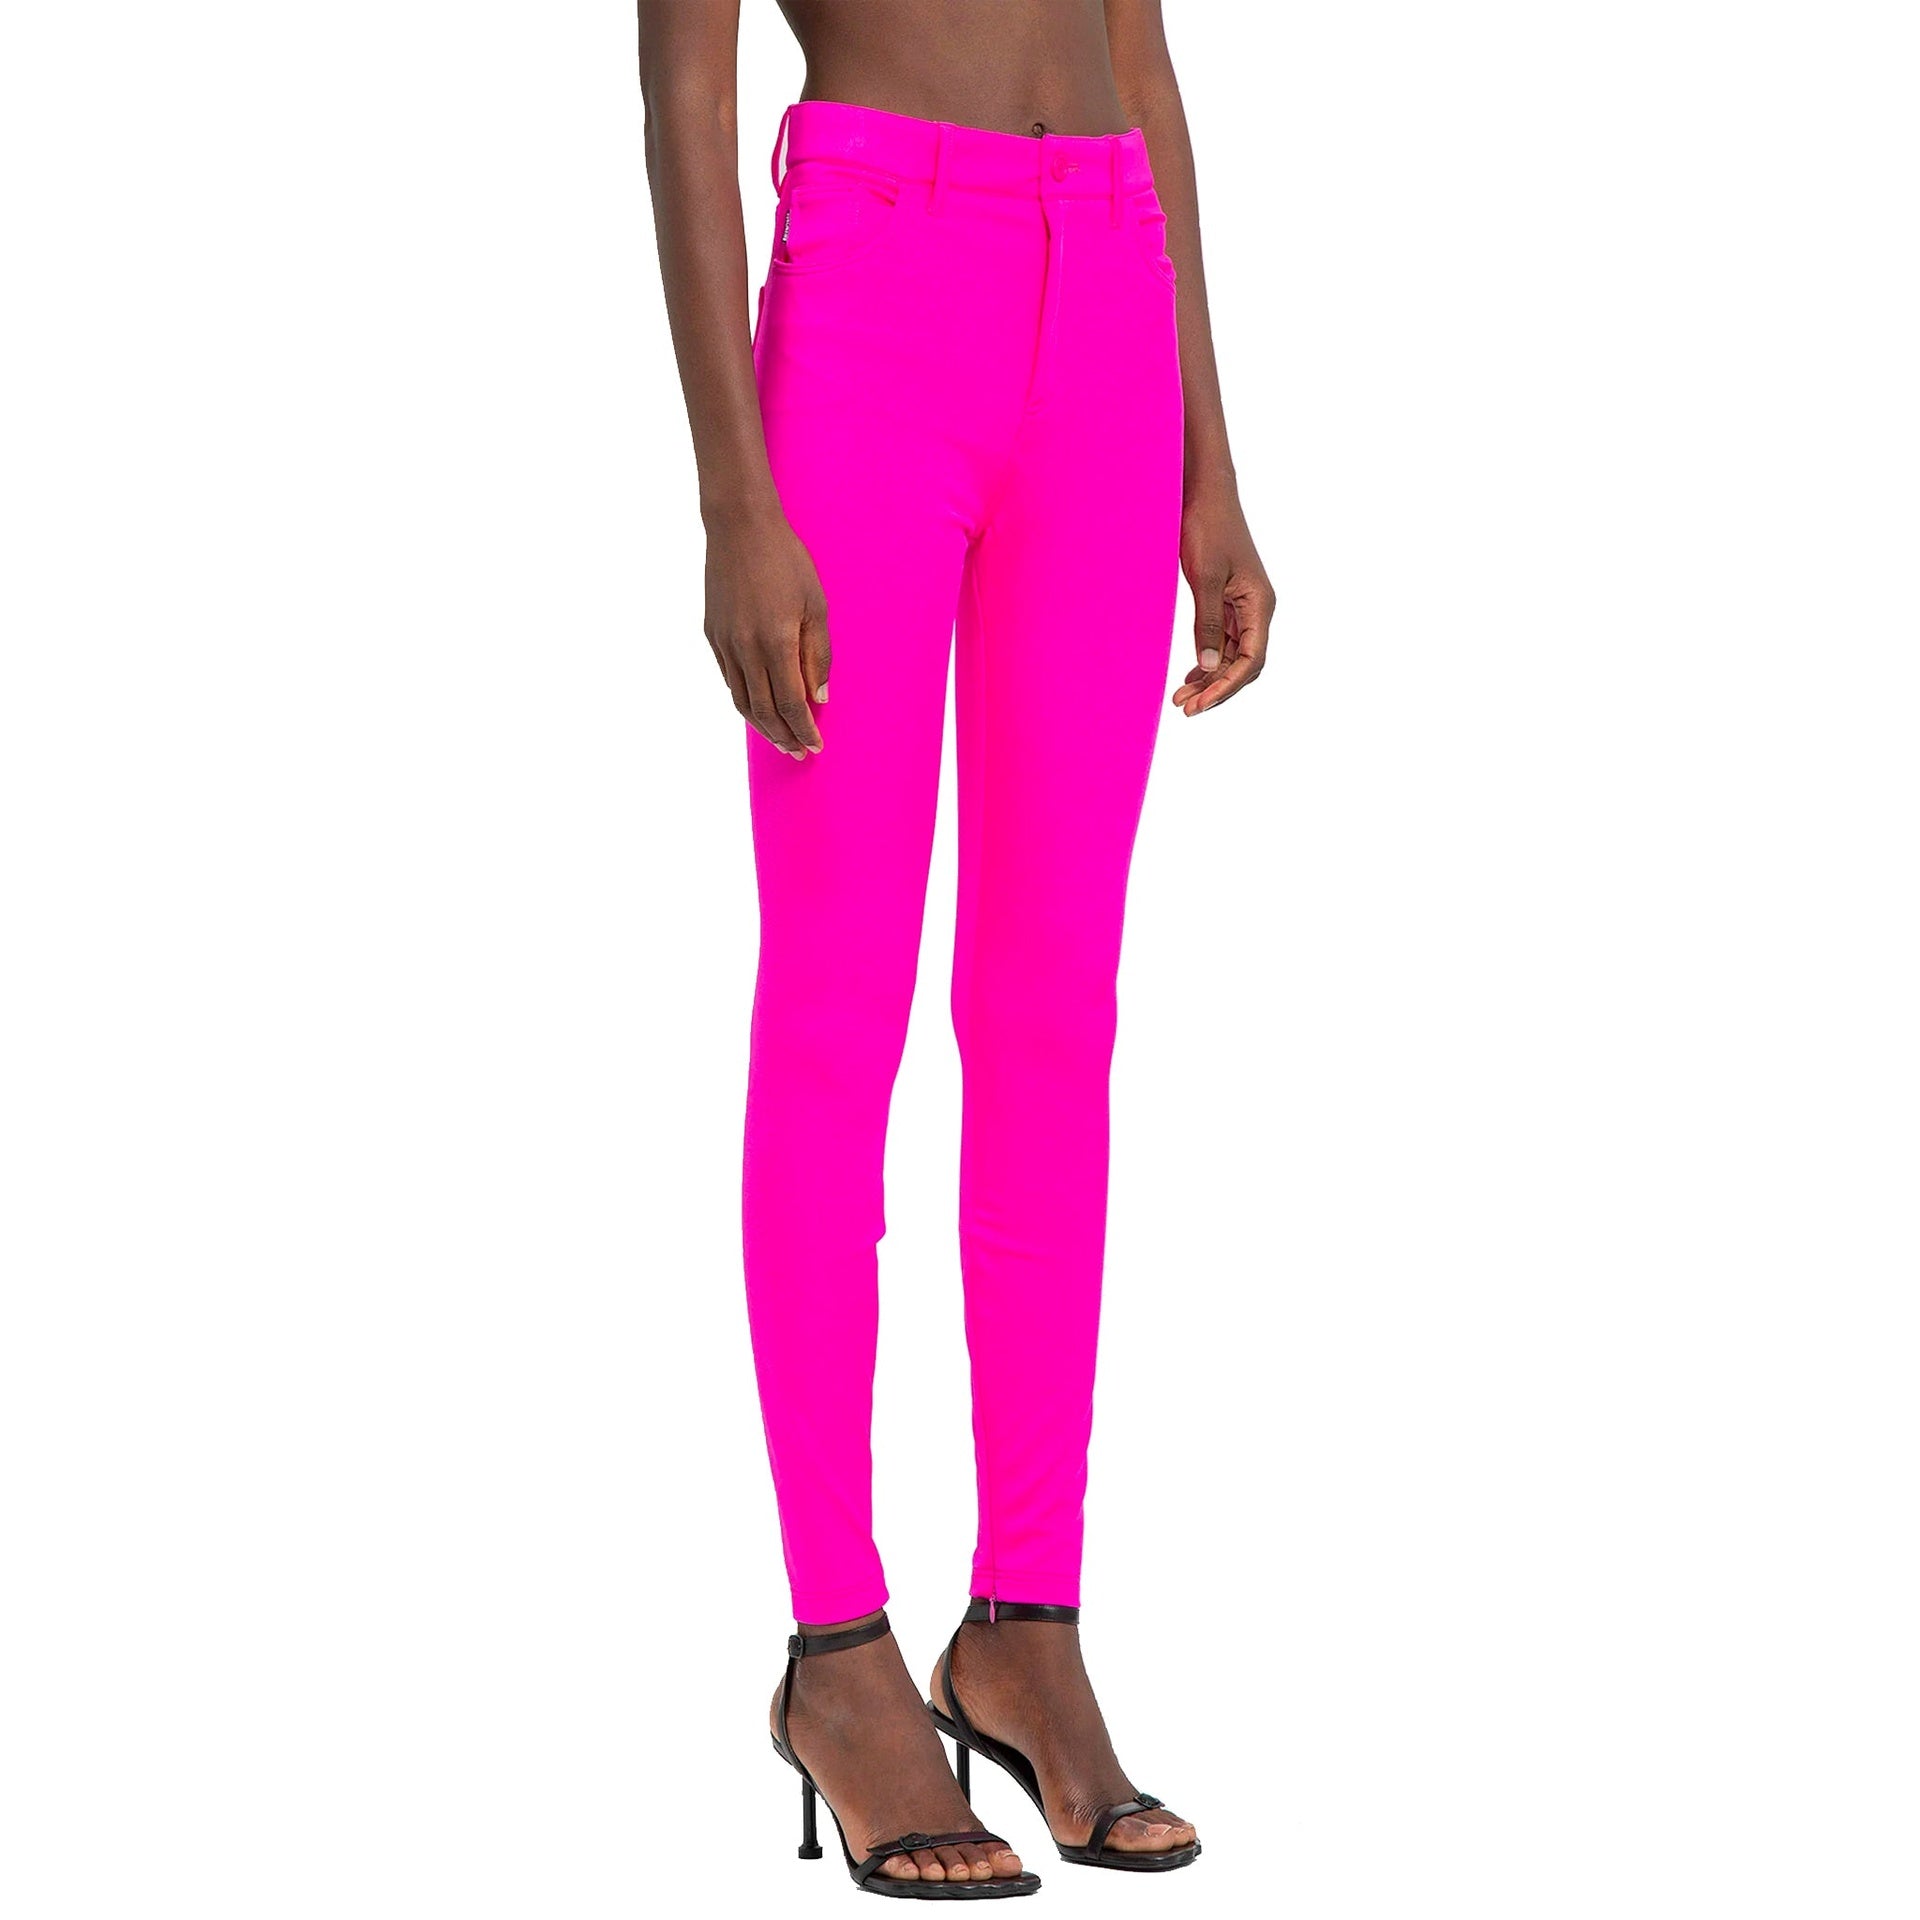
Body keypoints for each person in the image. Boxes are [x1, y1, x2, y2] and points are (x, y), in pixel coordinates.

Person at [637, 0, 1273, 1896]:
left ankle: (1027, 1624)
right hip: (872, 289)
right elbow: (685, 75)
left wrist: (1212, 464)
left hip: (1112, 296)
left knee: (1052, 1014)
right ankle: (839, 1652)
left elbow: (1135, 50)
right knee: (837, 1007)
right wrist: (732, 495)